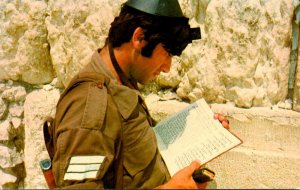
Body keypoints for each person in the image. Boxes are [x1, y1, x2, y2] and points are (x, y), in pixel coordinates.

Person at [44, 0, 230, 188]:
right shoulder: (88, 105)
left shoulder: (121, 83)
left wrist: (200, 136)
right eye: (167, 53)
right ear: (139, 38)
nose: (167, 68)